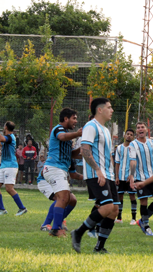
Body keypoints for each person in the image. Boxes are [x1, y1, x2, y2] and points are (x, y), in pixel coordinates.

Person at [71, 98, 120, 253]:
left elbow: (108, 154)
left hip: (108, 174)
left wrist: (112, 172)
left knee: (114, 210)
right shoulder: (91, 126)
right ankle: (78, 233)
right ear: (100, 110)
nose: (111, 110)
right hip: (96, 173)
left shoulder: (105, 129)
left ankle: (99, 247)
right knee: (107, 206)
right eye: (109, 107)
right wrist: (98, 170)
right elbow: (85, 150)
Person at [40, 108, 82, 237]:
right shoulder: (59, 129)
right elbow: (62, 137)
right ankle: (56, 229)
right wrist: (78, 134)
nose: (76, 121)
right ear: (65, 119)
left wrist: (87, 148)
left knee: (71, 200)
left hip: (60, 170)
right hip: (54, 168)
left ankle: (55, 225)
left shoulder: (68, 137)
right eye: (74, 118)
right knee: (63, 198)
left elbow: (74, 154)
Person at [128, 122, 153, 236]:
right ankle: (147, 226)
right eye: (138, 128)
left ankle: (142, 220)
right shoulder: (133, 145)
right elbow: (133, 161)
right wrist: (132, 177)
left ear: (146, 129)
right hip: (140, 178)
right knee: (143, 201)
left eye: (142, 127)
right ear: (137, 131)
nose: (140, 129)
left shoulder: (152, 143)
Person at [0, 122, 28, 216]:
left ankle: (22, 208)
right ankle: (2, 210)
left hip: (10, 166)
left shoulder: (10, 137)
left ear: (5, 127)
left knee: (9, 189)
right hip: (4, 166)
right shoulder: (7, 138)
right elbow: (0, 143)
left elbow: (1, 139)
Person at [114, 129, 138, 225]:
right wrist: (116, 177)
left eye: (131, 134)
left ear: (133, 137)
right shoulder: (119, 148)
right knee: (120, 196)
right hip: (121, 176)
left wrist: (132, 174)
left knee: (132, 196)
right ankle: (119, 218)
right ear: (124, 135)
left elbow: (136, 162)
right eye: (127, 134)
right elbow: (117, 163)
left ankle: (133, 218)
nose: (129, 136)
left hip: (131, 177)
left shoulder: (134, 148)